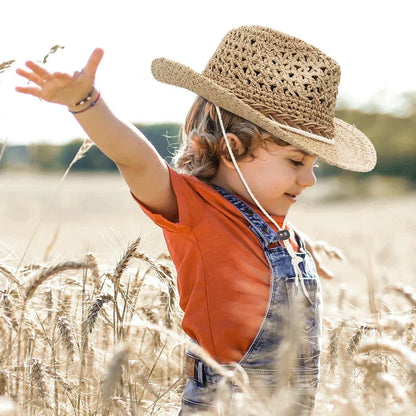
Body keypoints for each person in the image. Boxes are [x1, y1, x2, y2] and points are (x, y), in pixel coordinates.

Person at [16, 25, 376, 415]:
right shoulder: (196, 210)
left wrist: (300, 252)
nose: (309, 179)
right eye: (295, 161)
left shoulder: (277, 228)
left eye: (312, 164)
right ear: (232, 149)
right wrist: (86, 102)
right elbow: (136, 159)